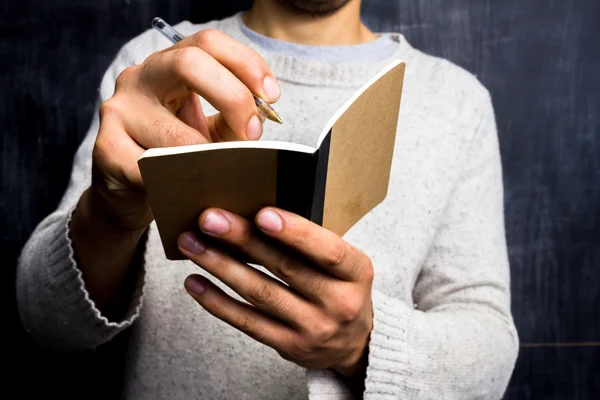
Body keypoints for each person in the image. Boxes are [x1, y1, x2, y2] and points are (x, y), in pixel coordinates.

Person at [16, 0, 519, 398]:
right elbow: (45, 323)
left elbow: (489, 349)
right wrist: (109, 212)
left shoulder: (458, 101)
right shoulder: (153, 67)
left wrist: (364, 343)